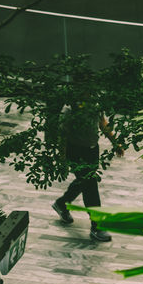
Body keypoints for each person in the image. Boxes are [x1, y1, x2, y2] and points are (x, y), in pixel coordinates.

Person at [51, 102, 122, 242]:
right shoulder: (69, 109)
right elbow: (62, 135)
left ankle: (62, 203)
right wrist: (62, 160)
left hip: (92, 150)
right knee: (90, 184)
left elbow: (103, 124)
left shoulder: (95, 105)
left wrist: (115, 143)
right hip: (76, 151)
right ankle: (97, 225)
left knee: (85, 182)